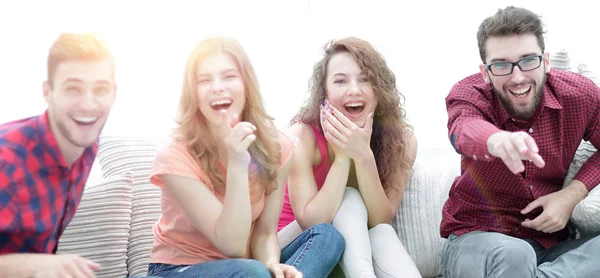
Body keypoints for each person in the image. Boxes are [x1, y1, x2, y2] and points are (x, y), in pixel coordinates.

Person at [146, 36, 345, 278]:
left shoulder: (277, 145)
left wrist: (272, 263)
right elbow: (232, 244)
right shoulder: (175, 154)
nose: (218, 87)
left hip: (247, 269)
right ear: (193, 93)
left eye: (229, 76)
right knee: (252, 271)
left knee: (327, 238)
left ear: (246, 85)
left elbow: (264, 234)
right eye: (205, 80)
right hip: (178, 270)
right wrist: (238, 164)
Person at [440, 6, 600, 278]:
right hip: (474, 242)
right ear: (485, 72)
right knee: (515, 254)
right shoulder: (468, 93)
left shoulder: (579, 95)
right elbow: (462, 130)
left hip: (549, 245)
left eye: (528, 60)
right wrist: (495, 139)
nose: (517, 77)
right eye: (501, 65)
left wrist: (571, 194)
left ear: (546, 61)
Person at [278, 37, 421, 278]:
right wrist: (343, 156)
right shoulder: (302, 137)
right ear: (326, 92)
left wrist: (363, 154)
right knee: (350, 196)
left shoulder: (402, 142)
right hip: (299, 247)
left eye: (365, 79)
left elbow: (380, 220)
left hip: (358, 243)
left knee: (382, 234)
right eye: (340, 81)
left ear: (379, 89)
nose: (354, 89)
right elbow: (313, 223)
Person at [0, 33, 117, 277]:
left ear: (114, 93)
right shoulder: (7, 159)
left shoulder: (86, 147)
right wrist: (31, 265)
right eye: (73, 89)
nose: (88, 104)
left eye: (101, 89)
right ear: (48, 91)